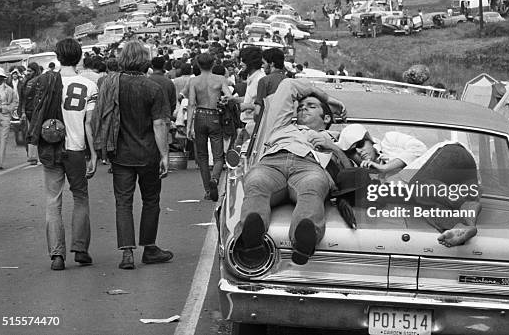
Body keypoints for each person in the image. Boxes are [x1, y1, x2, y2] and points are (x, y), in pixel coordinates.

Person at [234, 78, 346, 266]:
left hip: (309, 166)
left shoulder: (336, 138)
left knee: (313, 186)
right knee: (255, 181)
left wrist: (332, 147)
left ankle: (303, 241)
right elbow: (287, 85)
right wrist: (326, 97)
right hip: (272, 162)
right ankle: (251, 241)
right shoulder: (280, 125)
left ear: (326, 118)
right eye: (301, 106)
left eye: (311, 106)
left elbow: (350, 166)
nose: (303, 109)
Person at [92, 40, 172, 270]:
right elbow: (159, 124)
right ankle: (149, 248)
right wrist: (164, 155)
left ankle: (127, 252)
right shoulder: (152, 88)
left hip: (120, 154)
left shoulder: (111, 83)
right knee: (151, 200)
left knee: (123, 202)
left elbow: (100, 116)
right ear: (144, 61)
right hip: (148, 153)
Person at [336, 124, 481, 247]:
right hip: (458, 184)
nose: (359, 152)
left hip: (454, 155)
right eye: (352, 151)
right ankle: (461, 226)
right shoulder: (370, 178)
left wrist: (385, 168)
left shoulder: (389, 139)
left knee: (415, 185)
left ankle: (466, 204)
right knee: (424, 206)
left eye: (360, 145)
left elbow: (419, 148)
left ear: (369, 139)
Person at [29, 38, 97, 270]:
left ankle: (57, 255)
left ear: (57, 57)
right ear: (79, 57)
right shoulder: (88, 86)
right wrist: (94, 154)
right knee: (80, 197)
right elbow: (89, 124)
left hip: (50, 147)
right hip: (76, 148)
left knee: (53, 201)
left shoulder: (44, 81)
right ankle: (80, 248)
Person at [186, 53, 232, 201]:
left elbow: (191, 104)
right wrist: (223, 99)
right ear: (213, 64)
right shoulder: (220, 79)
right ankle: (215, 179)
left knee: (202, 156)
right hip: (214, 116)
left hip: (199, 115)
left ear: (198, 65)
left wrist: (189, 126)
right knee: (218, 155)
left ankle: (207, 189)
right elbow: (229, 96)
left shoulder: (193, 81)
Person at [0, 67, 18, 169]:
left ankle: (0, 163)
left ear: (2, 78)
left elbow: (15, 103)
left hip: (4, 117)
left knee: (3, 140)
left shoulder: (9, 90)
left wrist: (4, 108)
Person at [18, 62, 41, 165]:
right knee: (28, 133)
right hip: (27, 111)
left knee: (35, 133)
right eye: (27, 70)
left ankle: (35, 156)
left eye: (30, 71)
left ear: (35, 71)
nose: (27, 73)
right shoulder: (25, 81)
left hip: (36, 111)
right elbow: (23, 98)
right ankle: (32, 156)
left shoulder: (38, 80)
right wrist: (22, 112)